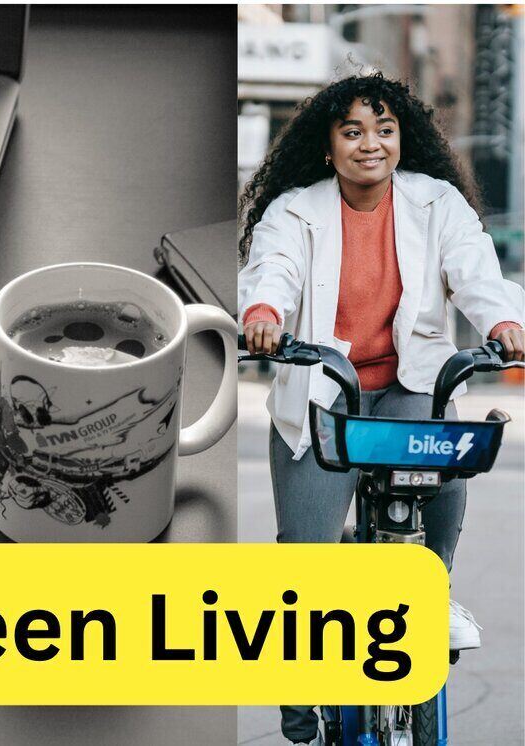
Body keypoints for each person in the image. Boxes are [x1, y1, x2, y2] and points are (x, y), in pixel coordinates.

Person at [237, 73, 524, 745]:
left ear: (403, 140)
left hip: (410, 382)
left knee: (447, 451)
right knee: (305, 557)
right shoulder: (295, 210)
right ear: (328, 146)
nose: (371, 144)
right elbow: (271, 269)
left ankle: (433, 585)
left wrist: (505, 325)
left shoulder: (437, 203)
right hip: (323, 392)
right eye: (353, 131)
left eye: (385, 130)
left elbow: (477, 272)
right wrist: (263, 314)